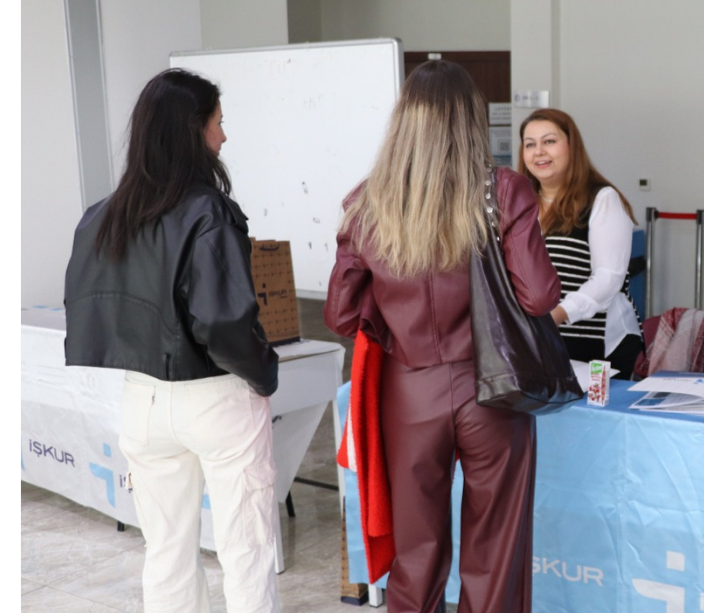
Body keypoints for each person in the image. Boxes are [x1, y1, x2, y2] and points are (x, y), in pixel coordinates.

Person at [324, 60, 559, 613]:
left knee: (416, 550)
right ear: (471, 119)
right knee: (495, 548)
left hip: (408, 392)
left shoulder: (368, 201)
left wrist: (395, 313)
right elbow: (539, 296)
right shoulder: (504, 189)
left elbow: (340, 313)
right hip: (493, 386)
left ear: (404, 121)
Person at [63, 69, 280, 613]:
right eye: (218, 123)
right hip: (215, 395)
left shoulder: (103, 216)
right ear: (192, 128)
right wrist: (264, 373)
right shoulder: (209, 212)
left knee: (165, 551)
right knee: (246, 548)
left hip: (142, 400)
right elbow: (224, 323)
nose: (223, 136)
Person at [518, 108, 645, 377]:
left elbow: (608, 278)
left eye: (549, 141)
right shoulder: (517, 205)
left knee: (593, 406)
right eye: (530, 144)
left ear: (571, 146)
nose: (539, 151)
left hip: (599, 345)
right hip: (536, 343)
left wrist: (558, 315)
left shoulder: (602, 199)